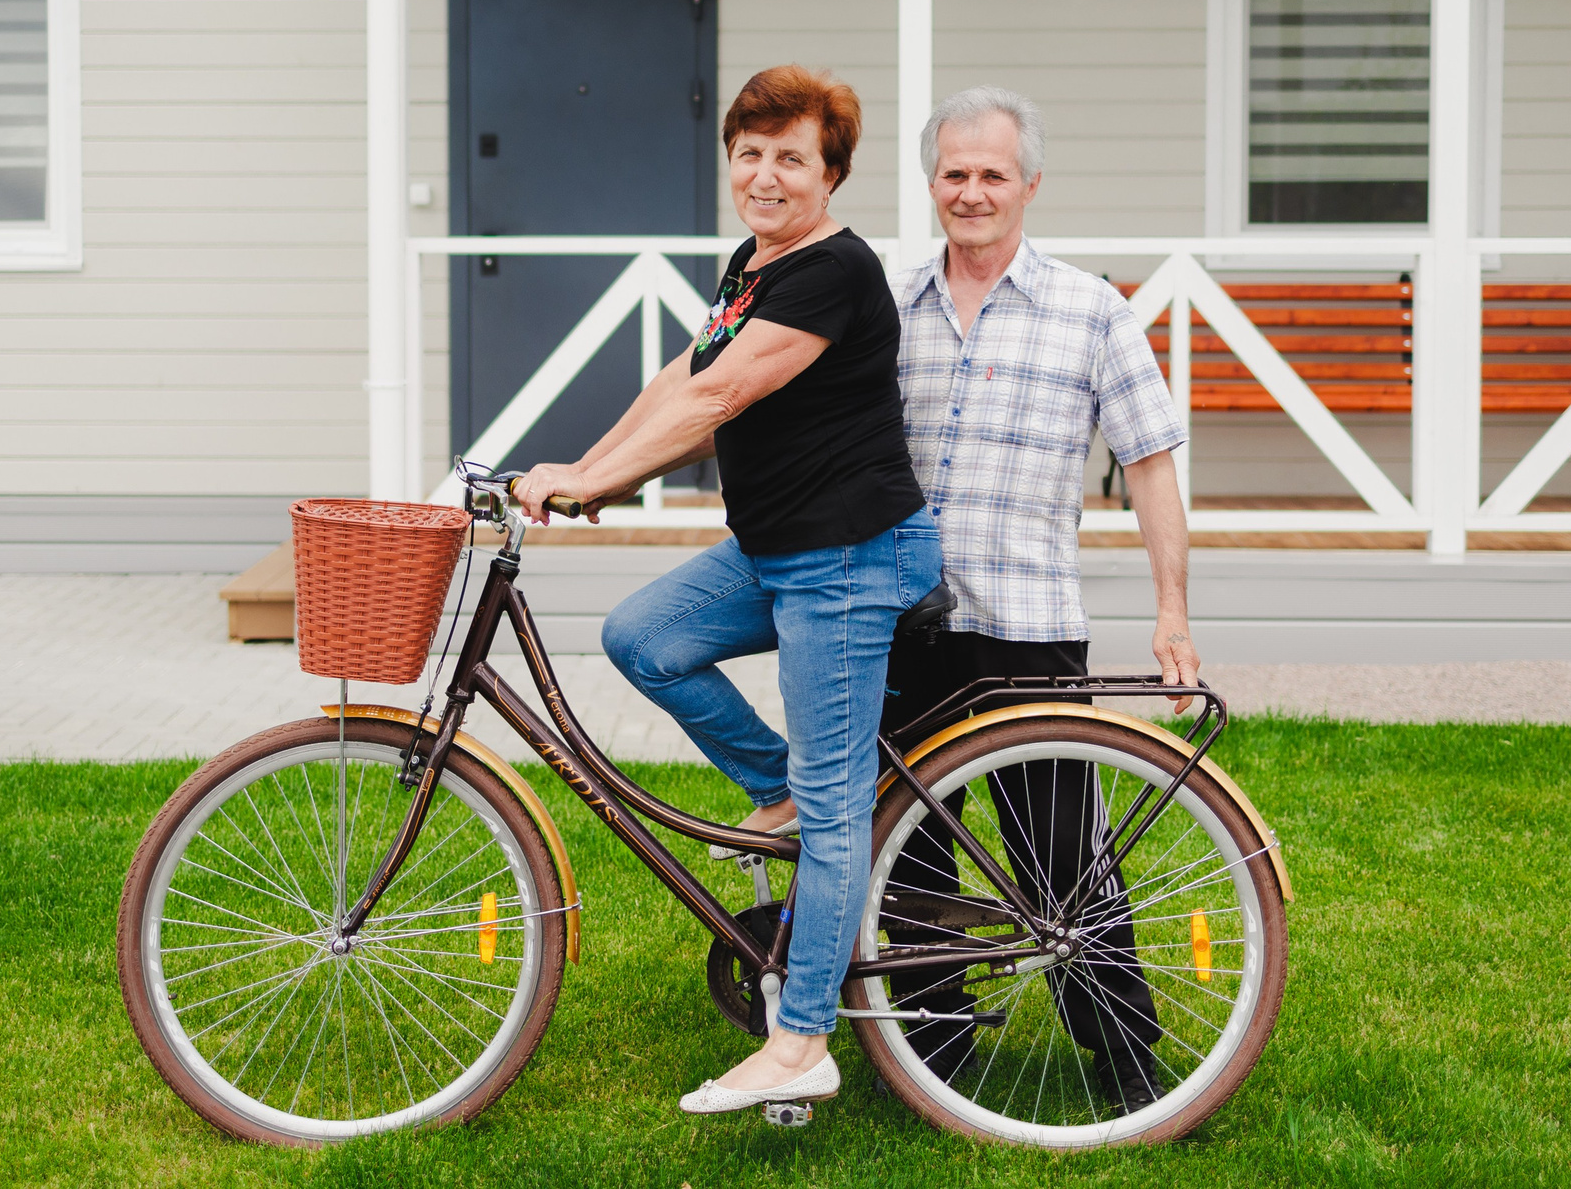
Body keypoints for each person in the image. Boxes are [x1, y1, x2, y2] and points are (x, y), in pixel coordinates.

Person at [513, 64, 940, 1117]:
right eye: (749, 153)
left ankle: (800, 1042)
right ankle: (780, 786)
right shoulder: (751, 263)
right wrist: (586, 467)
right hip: (777, 547)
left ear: (829, 172)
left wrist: (596, 476)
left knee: (841, 815)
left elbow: (721, 393)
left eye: (789, 156)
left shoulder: (834, 269)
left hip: (846, 556)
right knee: (644, 635)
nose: (764, 173)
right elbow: (681, 374)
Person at [883, 83, 1198, 1114]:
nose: (971, 192)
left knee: (1064, 859)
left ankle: (1126, 1064)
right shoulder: (889, 304)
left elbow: (1149, 463)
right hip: (908, 624)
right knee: (913, 846)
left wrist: (1170, 611)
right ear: (932, 180)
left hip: (1028, 629)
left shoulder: (1090, 309)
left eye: (992, 174)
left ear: (1028, 185)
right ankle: (932, 1051)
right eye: (953, 172)